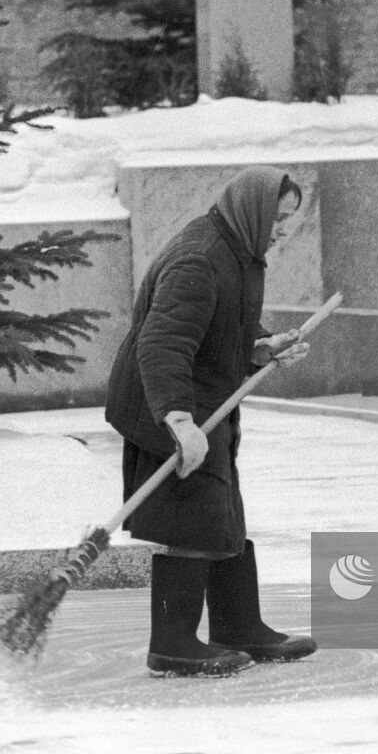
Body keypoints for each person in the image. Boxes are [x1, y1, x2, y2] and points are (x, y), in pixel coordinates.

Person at [105, 166, 315, 677]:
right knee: (192, 515)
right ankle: (173, 643)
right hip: (166, 404)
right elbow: (165, 341)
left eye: (289, 220)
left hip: (204, 400)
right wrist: (177, 420)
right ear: (253, 211)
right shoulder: (200, 259)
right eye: (277, 219)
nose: (283, 231)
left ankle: (239, 627)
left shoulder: (238, 251)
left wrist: (262, 347)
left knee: (220, 509)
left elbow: (223, 325)